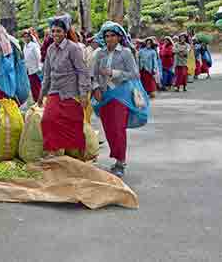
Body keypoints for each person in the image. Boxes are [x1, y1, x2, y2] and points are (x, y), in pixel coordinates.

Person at [91, 21, 147, 178]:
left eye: (113, 36)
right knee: (109, 129)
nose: (109, 39)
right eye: (107, 36)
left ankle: (121, 161)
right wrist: (95, 88)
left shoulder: (125, 53)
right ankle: (116, 156)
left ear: (119, 37)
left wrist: (114, 73)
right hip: (104, 96)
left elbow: (135, 74)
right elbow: (93, 74)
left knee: (118, 129)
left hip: (120, 95)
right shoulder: (100, 53)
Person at [37, 13, 91, 159]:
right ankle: (52, 151)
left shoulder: (73, 48)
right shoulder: (50, 50)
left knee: (74, 124)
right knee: (48, 120)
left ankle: (80, 154)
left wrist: (84, 94)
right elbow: (47, 74)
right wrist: (41, 95)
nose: (55, 34)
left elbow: (82, 71)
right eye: (53, 31)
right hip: (54, 91)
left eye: (59, 31)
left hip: (71, 93)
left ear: (65, 32)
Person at [21, 29, 43, 101]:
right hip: (29, 70)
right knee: (33, 88)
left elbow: (38, 57)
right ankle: (36, 101)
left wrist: (39, 67)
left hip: (36, 70)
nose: (26, 38)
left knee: (38, 87)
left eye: (27, 36)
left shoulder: (33, 46)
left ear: (30, 37)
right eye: (24, 37)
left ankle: (40, 101)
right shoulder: (25, 47)